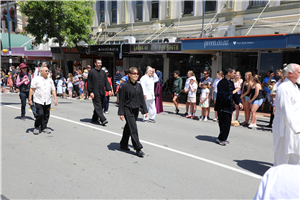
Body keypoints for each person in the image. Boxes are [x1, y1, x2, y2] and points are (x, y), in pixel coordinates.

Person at [272, 63, 300, 166]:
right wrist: (296, 129)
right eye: (299, 72)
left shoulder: (295, 87)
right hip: (285, 127)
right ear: (290, 73)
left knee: (296, 154)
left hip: (295, 126)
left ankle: (293, 178)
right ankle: (278, 178)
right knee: (282, 156)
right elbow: (286, 110)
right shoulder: (284, 88)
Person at [118, 67, 148, 158]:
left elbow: (141, 98)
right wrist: (121, 113)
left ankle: (123, 144)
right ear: (129, 75)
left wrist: (145, 110)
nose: (136, 75)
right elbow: (121, 101)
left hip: (135, 109)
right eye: (134, 73)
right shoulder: (125, 86)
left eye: (137, 73)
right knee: (133, 128)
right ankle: (138, 148)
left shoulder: (139, 85)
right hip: (127, 109)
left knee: (129, 127)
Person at [215, 68, 243, 146]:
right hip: (222, 106)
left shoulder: (231, 83)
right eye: (233, 73)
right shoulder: (222, 83)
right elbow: (223, 95)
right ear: (228, 73)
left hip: (229, 106)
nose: (234, 75)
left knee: (227, 123)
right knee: (223, 123)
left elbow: (234, 94)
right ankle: (221, 138)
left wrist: (239, 102)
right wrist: (234, 91)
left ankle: (223, 138)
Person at [29, 66, 58, 135]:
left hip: (47, 100)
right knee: (40, 114)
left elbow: (53, 90)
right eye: (46, 71)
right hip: (39, 100)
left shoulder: (50, 80)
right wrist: (30, 99)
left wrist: (55, 99)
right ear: (41, 72)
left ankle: (44, 127)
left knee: (46, 115)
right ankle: (36, 126)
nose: (47, 72)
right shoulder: (36, 79)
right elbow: (32, 89)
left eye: (48, 71)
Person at [87, 59, 112, 125]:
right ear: (95, 63)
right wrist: (91, 92)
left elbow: (106, 81)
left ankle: (94, 118)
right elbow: (89, 83)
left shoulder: (103, 72)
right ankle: (103, 119)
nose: (100, 64)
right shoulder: (91, 72)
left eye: (100, 63)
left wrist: (109, 90)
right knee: (98, 106)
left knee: (101, 106)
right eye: (98, 63)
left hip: (102, 92)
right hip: (95, 92)